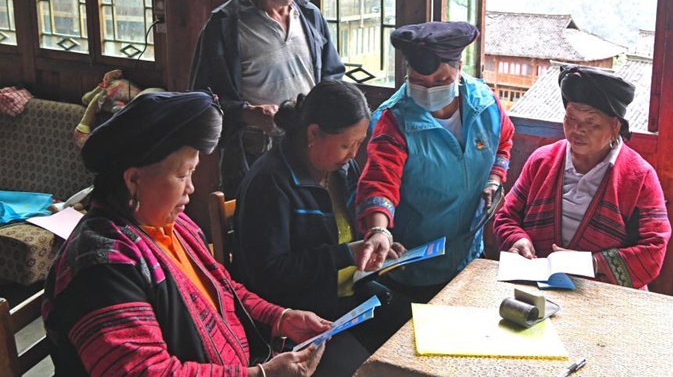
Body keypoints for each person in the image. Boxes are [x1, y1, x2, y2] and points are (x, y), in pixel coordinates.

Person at [43, 91, 329, 376]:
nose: (191, 188)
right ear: (133, 179)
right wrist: (261, 374)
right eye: (182, 175)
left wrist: (279, 317)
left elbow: (222, 289)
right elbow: (145, 372)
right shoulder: (101, 265)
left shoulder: (175, 225)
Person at [233, 80, 410, 371]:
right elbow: (268, 275)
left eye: (359, 143)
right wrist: (347, 254)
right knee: (374, 369)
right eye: (346, 145)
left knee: (410, 331)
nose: (353, 154)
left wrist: (374, 243)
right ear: (313, 133)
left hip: (346, 296)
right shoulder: (270, 182)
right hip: (301, 317)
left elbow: (350, 229)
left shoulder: (340, 170)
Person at [354, 21, 515, 302]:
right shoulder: (395, 120)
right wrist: (378, 230)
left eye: (440, 81)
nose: (429, 90)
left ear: (459, 67)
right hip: (414, 263)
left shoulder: (485, 103)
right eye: (418, 82)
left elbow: (503, 141)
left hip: (467, 253)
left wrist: (494, 178)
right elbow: (380, 180)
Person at [189, 0, 344, 197]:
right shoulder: (225, 25)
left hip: (309, 154)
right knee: (258, 222)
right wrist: (245, 112)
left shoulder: (310, 16)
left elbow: (333, 77)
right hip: (252, 158)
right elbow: (199, 100)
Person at [493, 65, 672, 289]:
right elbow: (506, 216)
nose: (577, 130)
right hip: (538, 287)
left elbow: (654, 249)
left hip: (605, 295)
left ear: (615, 126)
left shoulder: (639, 177)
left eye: (591, 123)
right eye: (571, 118)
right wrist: (517, 239)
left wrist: (591, 264)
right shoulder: (542, 161)